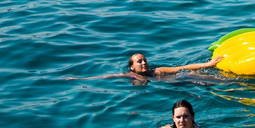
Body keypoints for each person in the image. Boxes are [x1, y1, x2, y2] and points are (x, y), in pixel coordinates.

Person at [67, 53, 224, 83]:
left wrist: (208, 65)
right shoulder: (131, 76)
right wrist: (80, 79)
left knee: (207, 79)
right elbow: (106, 77)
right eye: (139, 61)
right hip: (178, 84)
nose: (143, 63)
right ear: (132, 67)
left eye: (144, 60)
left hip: (182, 79)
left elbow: (183, 67)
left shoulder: (158, 71)